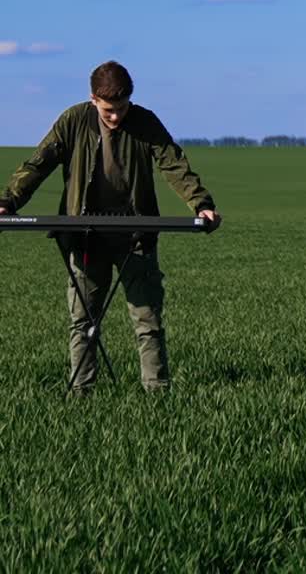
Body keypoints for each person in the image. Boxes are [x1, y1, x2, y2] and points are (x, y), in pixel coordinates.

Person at [0, 60, 221, 393]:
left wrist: (202, 205)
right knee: (83, 320)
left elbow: (174, 165)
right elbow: (38, 163)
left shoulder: (144, 122)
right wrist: (8, 202)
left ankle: (157, 393)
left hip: (136, 236)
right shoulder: (73, 120)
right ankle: (82, 394)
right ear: (93, 99)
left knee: (148, 319)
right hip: (85, 236)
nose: (115, 117)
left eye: (121, 108)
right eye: (108, 110)